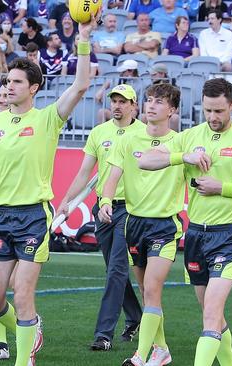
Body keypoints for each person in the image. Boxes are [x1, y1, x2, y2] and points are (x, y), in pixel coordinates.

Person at [0, 15, 99, 366]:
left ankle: (24, 359)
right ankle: (31, 329)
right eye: (7, 81)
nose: (8, 87)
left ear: (33, 87)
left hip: (33, 216)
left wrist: (83, 39)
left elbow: (81, 85)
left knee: (22, 293)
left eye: (17, 82)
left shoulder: (48, 118)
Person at [138, 78, 232, 366]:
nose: (212, 117)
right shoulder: (188, 136)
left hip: (228, 236)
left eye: (219, 111)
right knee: (212, 314)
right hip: (196, 236)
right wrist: (182, 156)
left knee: (211, 313)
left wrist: (222, 187)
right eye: (207, 110)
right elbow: (145, 161)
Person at [98, 83, 185, 366]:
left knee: (152, 288)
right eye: (148, 100)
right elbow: (113, 176)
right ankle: (161, 348)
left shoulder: (181, 143)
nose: (151, 105)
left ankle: (140, 355)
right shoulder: (129, 140)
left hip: (164, 226)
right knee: (149, 293)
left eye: (159, 102)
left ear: (172, 110)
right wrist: (106, 201)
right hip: (133, 224)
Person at [57, 84, 144, 352]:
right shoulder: (99, 132)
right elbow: (85, 172)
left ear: (134, 106)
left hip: (130, 210)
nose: (117, 105)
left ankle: (103, 334)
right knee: (114, 270)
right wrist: (67, 201)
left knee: (117, 269)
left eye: (123, 101)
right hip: (102, 209)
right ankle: (136, 317)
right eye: (114, 101)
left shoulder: (143, 133)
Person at [0, 84, 45, 362]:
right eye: (1, 94)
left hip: (30, 217)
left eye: (9, 92)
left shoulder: (39, 122)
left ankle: (20, 351)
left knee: (20, 290)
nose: (4, 97)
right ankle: (15, 336)